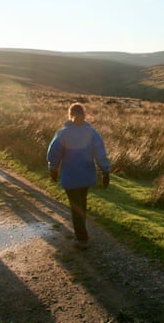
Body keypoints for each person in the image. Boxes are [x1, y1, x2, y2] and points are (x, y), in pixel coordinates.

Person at [47, 103, 110, 249]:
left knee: (76, 206)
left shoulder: (63, 133)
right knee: (82, 202)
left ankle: (82, 238)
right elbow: (100, 153)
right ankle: (82, 232)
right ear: (84, 114)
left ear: (70, 115)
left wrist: (53, 169)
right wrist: (105, 171)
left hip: (70, 176)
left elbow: (53, 153)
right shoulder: (92, 133)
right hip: (86, 175)